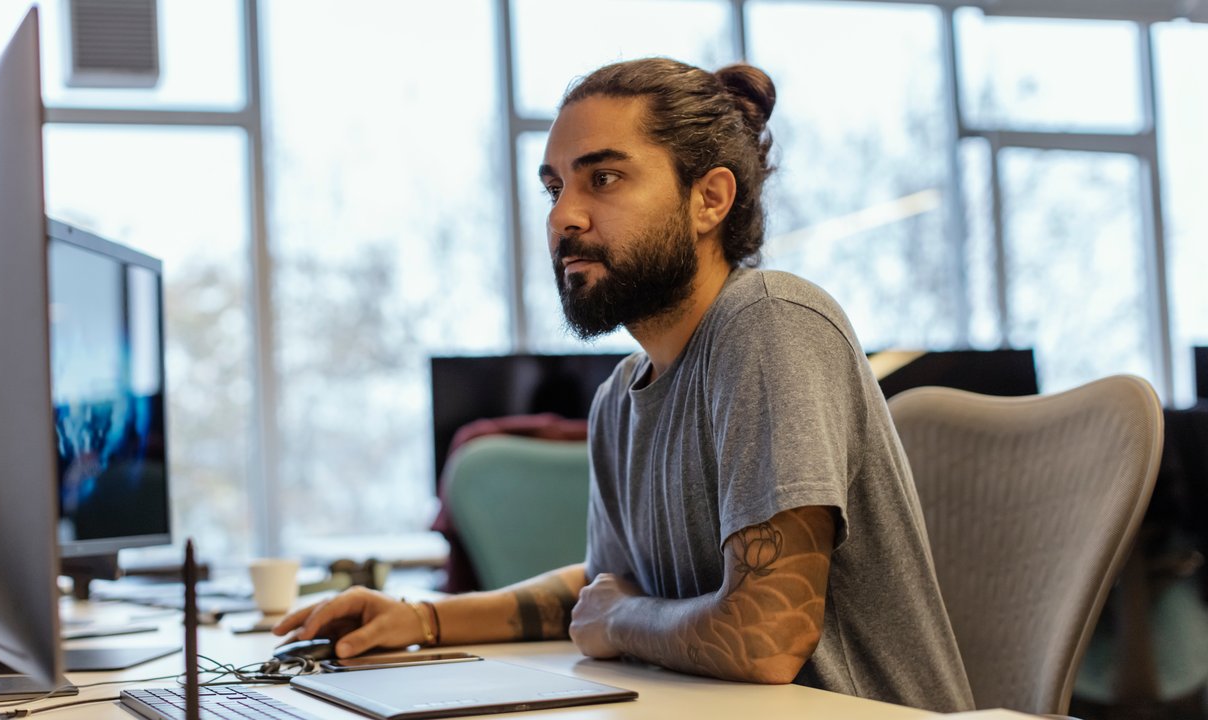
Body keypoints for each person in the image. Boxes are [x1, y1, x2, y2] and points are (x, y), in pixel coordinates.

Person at [274, 57, 975, 713]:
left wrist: (619, 620)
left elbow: (764, 637)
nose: (562, 217)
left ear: (709, 199)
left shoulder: (769, 323)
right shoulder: (620, 397)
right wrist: (420, 618)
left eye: (603, 178)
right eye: (554, 187)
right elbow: (600, 595)